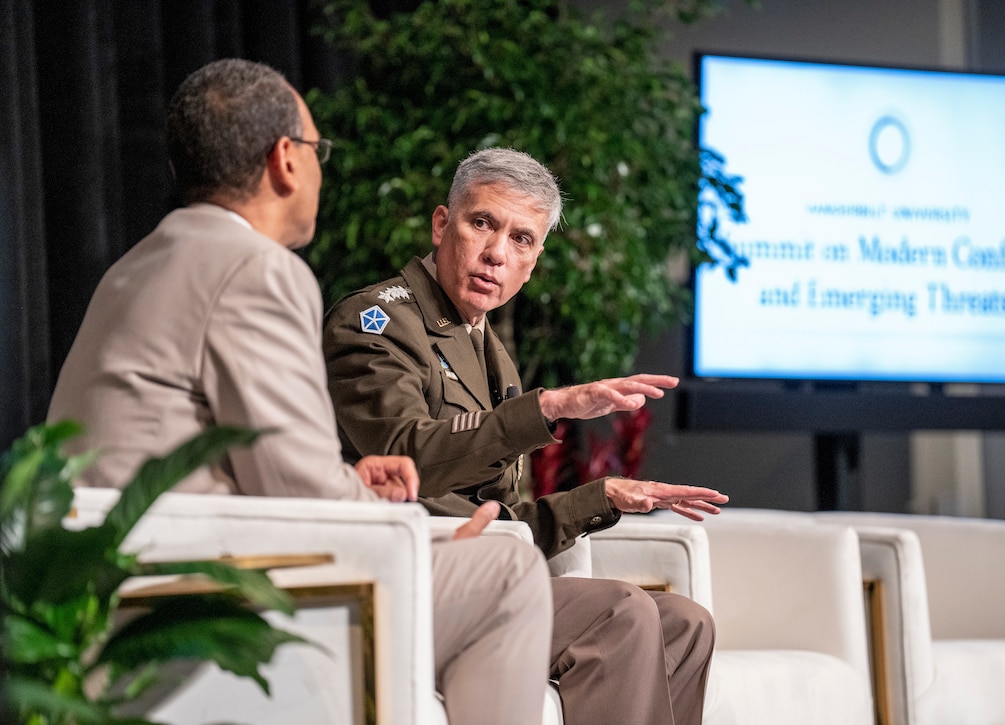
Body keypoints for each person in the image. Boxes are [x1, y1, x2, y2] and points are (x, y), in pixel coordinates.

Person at [46, 59, 552, 725]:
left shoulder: (134, 265)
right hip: (193, 596)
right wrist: (420, 535)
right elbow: (300, 495)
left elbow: (241, 460)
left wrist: (351, 481)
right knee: (506, 575)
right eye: (319, 151)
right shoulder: (257, 270)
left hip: (103, 589)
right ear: (286, 160)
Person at [323, 147, 730, 725]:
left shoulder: (489, 352)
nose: (496, 253)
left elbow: (507, 524)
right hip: (409, 580)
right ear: (443, 225)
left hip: (487, 576)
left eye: (521, 240)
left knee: (686, 625)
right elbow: (407, 457)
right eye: (482, 223)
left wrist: (604, 496)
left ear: (533, 262)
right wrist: (551, 405)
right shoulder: (377, 323)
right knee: (619, 613)